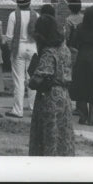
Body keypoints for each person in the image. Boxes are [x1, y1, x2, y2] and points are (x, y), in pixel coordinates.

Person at [27, 13, 76, 156]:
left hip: (49, 97)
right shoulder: (64, 48)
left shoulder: (48, 52)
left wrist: (30, 80)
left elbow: (38, 79)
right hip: (64, 96)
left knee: (49, 135)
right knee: (63, 134)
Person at [69, 5, 93, 125]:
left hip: (82, 57)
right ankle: (92, 118)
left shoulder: (80, 28)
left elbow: (74, 43)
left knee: (81, 88)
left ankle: (83, 115)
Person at [4, 0, 38, 118]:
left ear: (18, 3)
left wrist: (10, 49)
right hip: (33, 48)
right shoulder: (36, 15)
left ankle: (18, 110)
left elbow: (9, 37)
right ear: (29, 3)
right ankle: (34, 108)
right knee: (32, 79)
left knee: (19, 80)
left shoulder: (13, 15)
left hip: (18, 48)